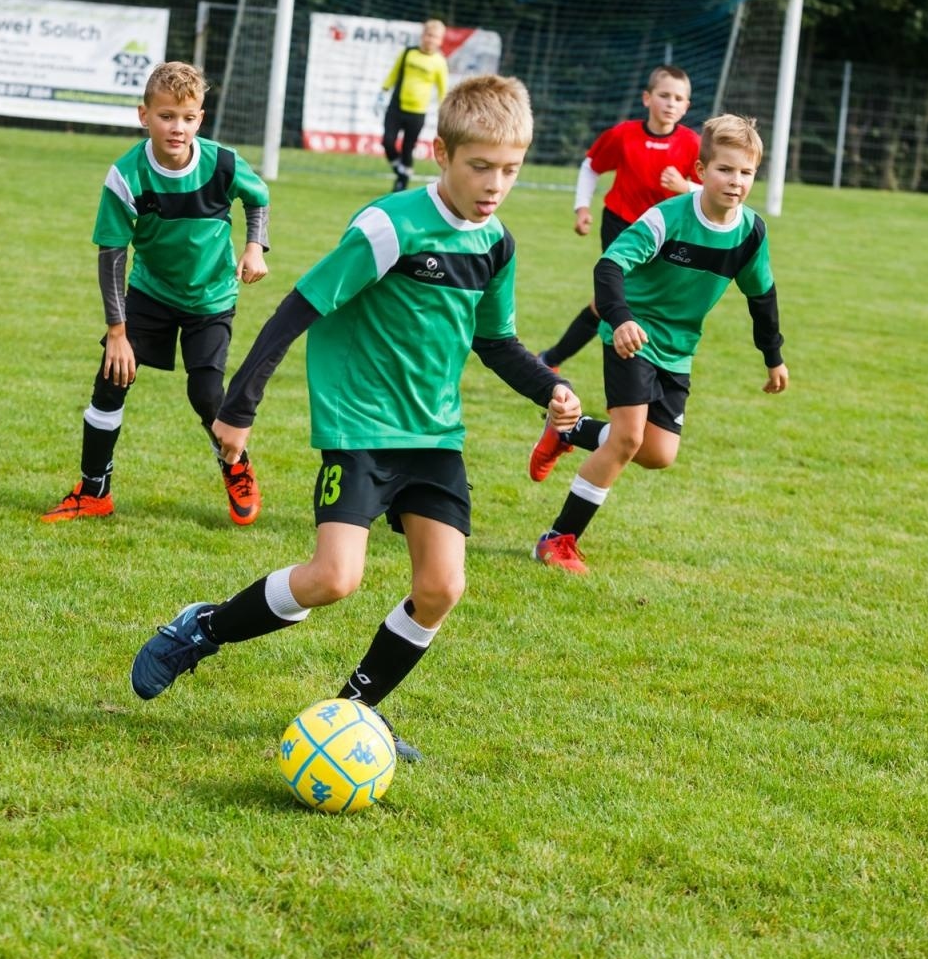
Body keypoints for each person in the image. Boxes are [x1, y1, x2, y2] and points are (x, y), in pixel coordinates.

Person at [129, 74, 580, 761]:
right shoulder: (389, 226)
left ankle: (354, 711)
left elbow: (494, 340)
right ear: (441, 154)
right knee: (334, 578)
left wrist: (549, 387)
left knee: (442, 588)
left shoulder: (496, 245)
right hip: (362, 429)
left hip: (435, 438)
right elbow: (301, 306)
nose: (494, 184)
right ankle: (204, 628)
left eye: (510, 170)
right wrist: (239, 405)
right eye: (480, 166)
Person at [527, 113, 788, 575]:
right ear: (701, 172)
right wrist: (621, 319)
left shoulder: (750, 233)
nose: (736, 181)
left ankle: (568, 431)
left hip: (679, 347)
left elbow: (762, 296)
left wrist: (773, 357)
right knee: (627, 438)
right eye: (725, 170)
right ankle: (556, 540)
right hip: (633, 334)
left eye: (746, 172)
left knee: (657, 453)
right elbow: (609, 267)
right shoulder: (667, 218)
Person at [40, 62, 270, 526]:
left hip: (211, 299)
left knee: (207, 394)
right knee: (112, 376)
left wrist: (253, 246)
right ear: (144, 115)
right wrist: (117, 331)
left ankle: (236, 466)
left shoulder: (222, 162)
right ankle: (93, 491)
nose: (177, 127)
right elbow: (112, 255)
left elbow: (258, 197)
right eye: (166, 116)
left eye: (187, 117)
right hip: (150, 294)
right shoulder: (126, 175)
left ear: (200, 119)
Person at [538, 65, 701, 370]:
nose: (670, 103)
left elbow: (709, 190)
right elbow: (591, 166)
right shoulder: (624, 135)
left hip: (665, 234)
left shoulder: (693, 144)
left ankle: (552, 359)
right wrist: (582, 207)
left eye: (678, 98)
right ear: (646, 98)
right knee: (616, 301)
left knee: (635, 302)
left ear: (686, 106)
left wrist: (686, 186)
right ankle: (559, 362)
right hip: (622, 224)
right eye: (663, 95)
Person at [376, 19, 450, 193]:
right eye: (428, 35)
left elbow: (442, 90)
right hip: (396, 107)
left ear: (440, 41)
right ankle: (400, 171)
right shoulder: (408, 53)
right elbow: (394, 72)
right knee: (387, 141)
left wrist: (445, 111)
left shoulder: (439, 62)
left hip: (417, 112)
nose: (430, 39)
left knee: (408, 148)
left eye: (434, 37)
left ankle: (402, 182)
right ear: (422, 35)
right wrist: (383, 90)